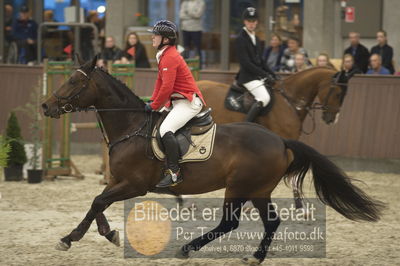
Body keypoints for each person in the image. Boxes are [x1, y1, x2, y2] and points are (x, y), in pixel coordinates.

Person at [145, 20, 206, 187]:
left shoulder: (170, 56)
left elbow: (167, 87)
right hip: (177, 101)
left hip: (188, 102)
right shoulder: (164, 54)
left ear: (165, 39)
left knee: (165, 129)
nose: (152, 37)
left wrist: (155, 105)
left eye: (155, 35)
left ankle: (174, 172)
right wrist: (152, 101)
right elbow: (160, 81)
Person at [235, 7, 276, 122]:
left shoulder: (256, 38)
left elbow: (261, 61)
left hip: (256, 76)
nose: (251, 24)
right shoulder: (240, 39)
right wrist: (264, 74)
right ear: (244, 21)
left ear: (257, 22)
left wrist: (272, 73)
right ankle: (247, 124)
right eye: (249, 21)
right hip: (247, 77)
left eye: (253, 21)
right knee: (264, 97)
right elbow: (245, 63)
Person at [179, 0, 205, 66]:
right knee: (186, 47)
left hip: (196, 29)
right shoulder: (185, 2)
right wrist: (192, 14)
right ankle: (184, 65)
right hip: (185, 28)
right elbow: (181, 16)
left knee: (197, 48)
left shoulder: (201, 2)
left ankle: (199, 65)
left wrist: (187, 12)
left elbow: (198, 15)